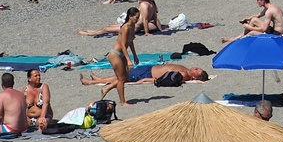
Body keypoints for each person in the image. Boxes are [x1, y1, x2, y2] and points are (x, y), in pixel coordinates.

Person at [82, 64, 210, 98]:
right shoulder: (186, 70)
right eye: (197, 68)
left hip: (148, 73)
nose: (195, 67)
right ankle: (100, 79)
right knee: (124, 74)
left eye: (197, 70)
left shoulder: (183, 75)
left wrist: (144, 80)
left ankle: (91, 82)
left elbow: (163, 79)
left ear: (194, 78)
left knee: (123, 77)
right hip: (150, 68)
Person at [106, 8, 141, 107]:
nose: (138, 19)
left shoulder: (132, 26)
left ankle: (106, 89)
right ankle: (123, 102)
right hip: (115, 54)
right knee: (121, 79)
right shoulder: (125, 28)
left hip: (122, 54)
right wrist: (128, 60)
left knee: (126, 77)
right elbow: (122, 45)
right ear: (130, 16)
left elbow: (130, 42)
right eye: (136, 17)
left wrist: (135, 55)